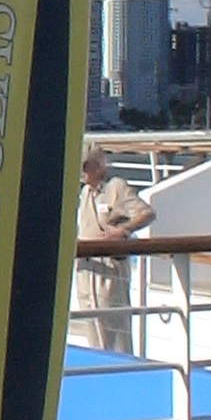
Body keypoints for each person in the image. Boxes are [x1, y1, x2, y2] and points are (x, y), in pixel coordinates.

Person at [75, 145, 154, 355]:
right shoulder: (85, 192)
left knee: (115, 331)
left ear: (99, 165)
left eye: (85, 166)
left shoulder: (116, 187)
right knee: (92, 330)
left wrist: (123, 230)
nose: (81, 172)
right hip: (86, 271)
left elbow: (146, 213)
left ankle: (119, 368)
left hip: (110, 271)